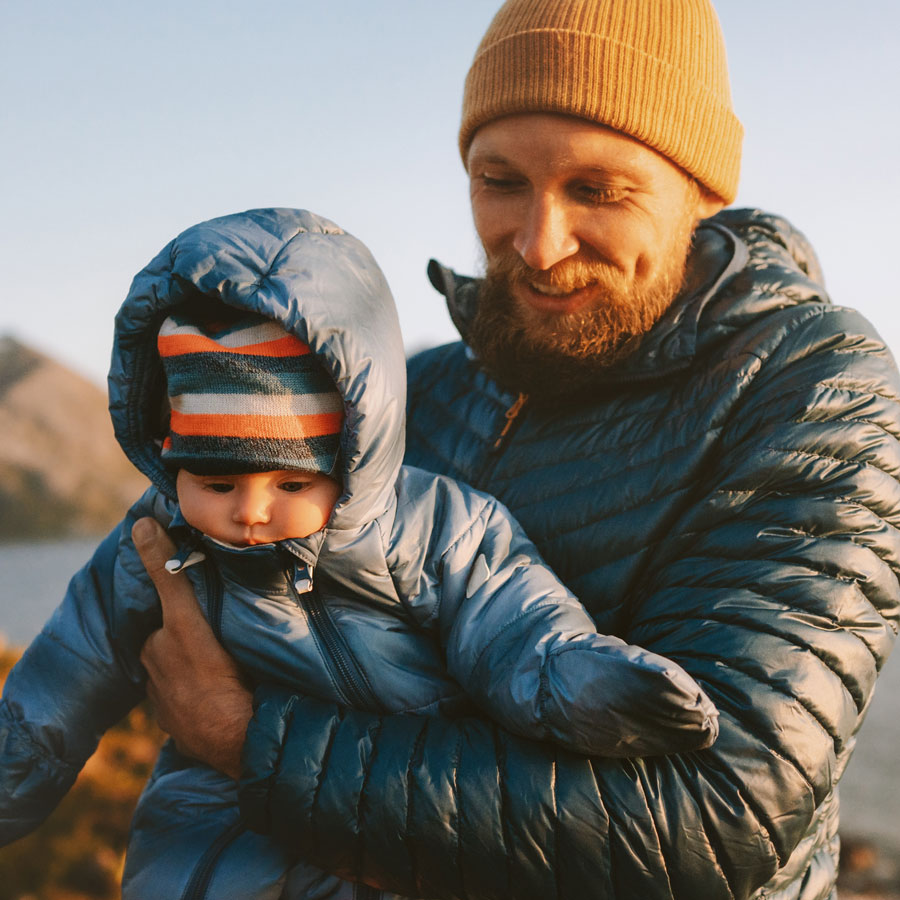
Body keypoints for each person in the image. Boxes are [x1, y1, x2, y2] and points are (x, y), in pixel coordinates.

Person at [123, 1, 900, 899]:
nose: (538, 245)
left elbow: (722, 813)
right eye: (500, 181)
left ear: (702, 188)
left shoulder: (812, 384)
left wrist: (247, 740)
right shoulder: (422, 389)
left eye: (599, 190)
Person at [0, 207, 722, 900]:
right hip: (216, 833)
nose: (250, 511)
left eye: (291, 481)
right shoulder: (151, 547)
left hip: (404, 827)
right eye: (217, 481)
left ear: (352, 455)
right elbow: (65, 675)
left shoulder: (434, 525)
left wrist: (588, 685)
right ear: (169, 456)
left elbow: (513, 627)